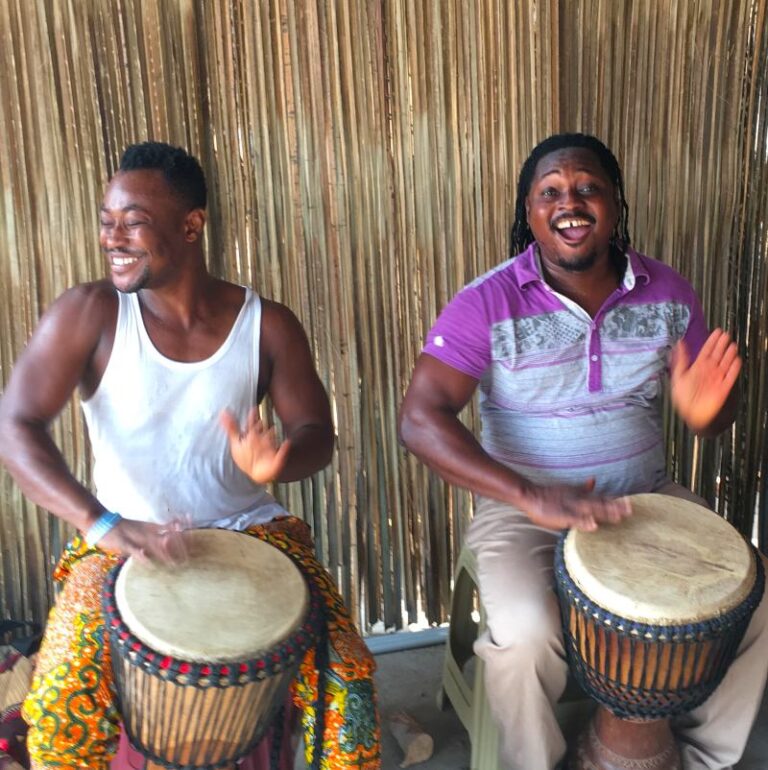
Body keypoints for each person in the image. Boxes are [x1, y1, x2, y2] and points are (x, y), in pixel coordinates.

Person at [0, 141, 380, 770]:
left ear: (191, 225)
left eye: (133, 221)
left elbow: (316, 431)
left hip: (253, 536)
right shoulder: (90, 313)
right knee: (62, 700)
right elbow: (16, 425)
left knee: (349, 687)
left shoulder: (267, 324)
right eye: (106, 220)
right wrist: (105, 524)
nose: (112, 237)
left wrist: (278, 462)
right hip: (117, 540)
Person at [398, 133, 768, 770]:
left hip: (647, 498)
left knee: (756, 598)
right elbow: (420, 419)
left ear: (616, 204)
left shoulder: (668, 292)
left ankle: (703, 757)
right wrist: (529, 494)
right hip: (523, 510)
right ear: (530, 212)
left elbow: (711, 412)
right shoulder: (487, 302)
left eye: (587, 188)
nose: (570, 202)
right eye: (550, 192)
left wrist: (709, 414)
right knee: (523, 634)